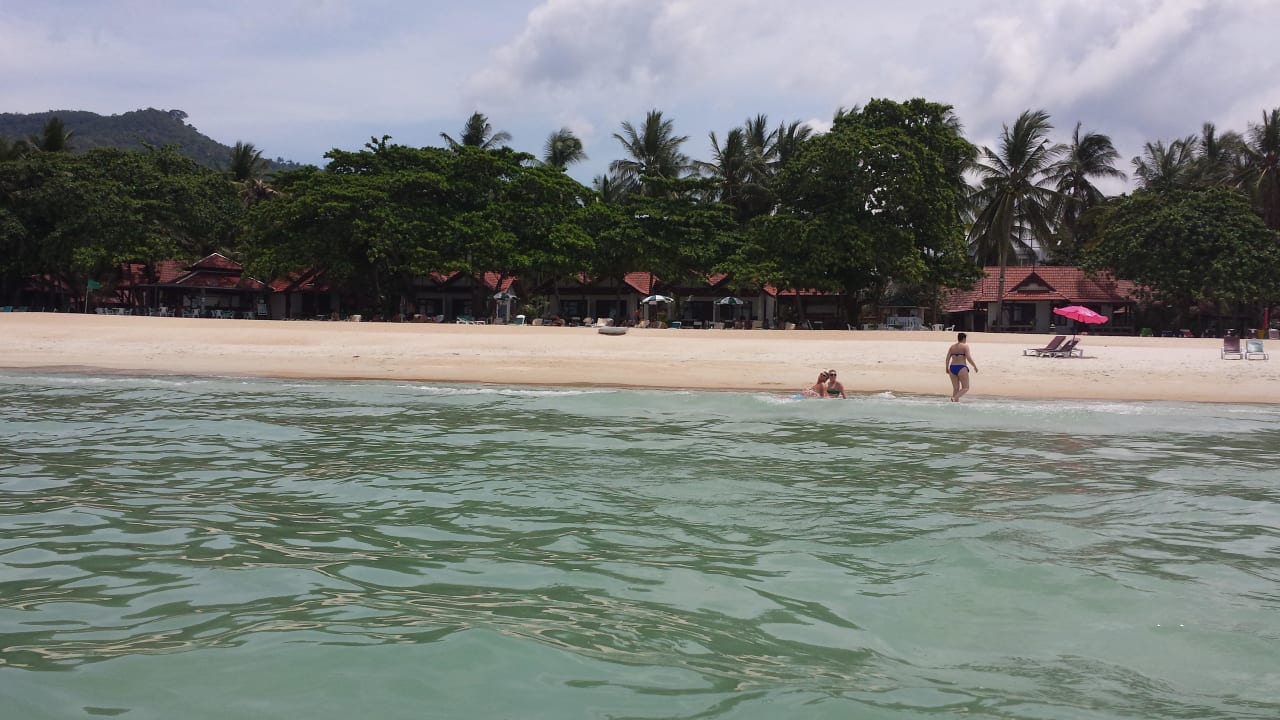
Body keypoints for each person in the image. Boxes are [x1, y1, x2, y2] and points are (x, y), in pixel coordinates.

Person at [945, 332, 978, 402]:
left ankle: (954, 404)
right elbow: (968, 358)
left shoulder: (952, 347)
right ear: (963, 338)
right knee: (965, 388)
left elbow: (947, 358)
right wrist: (974, 366)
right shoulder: (965, 346)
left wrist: (946, 368)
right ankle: (954, 398)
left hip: (952, 367)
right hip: (961, 367)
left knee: (956, 388)